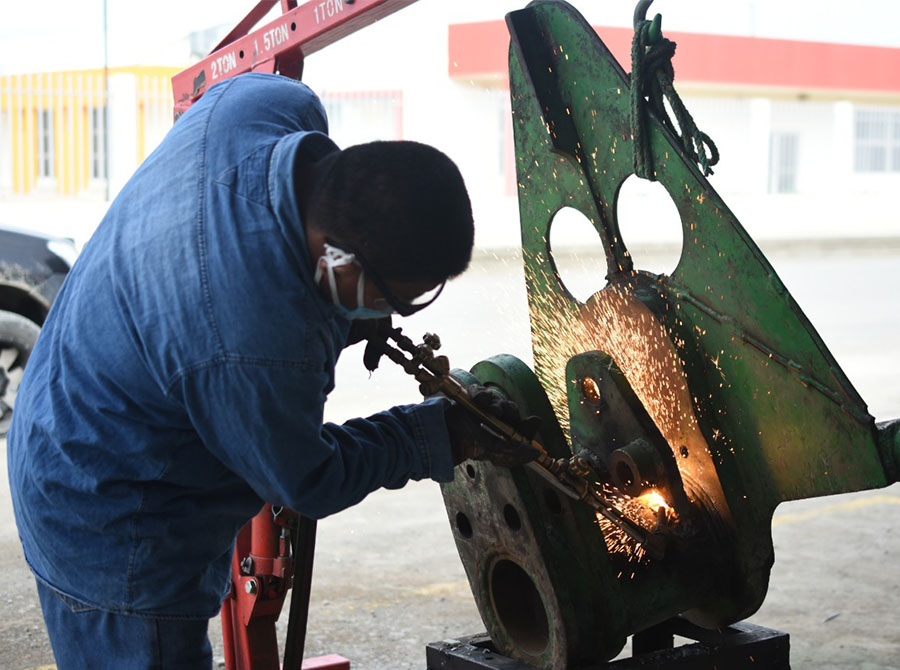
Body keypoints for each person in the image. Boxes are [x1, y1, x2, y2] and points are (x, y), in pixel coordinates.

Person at [8, 73, 534, 668]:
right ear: (339, 262)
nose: (391, 315)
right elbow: (308, 480)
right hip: (105, 515)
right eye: (395, 299)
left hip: (68, 393)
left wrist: (343, 314)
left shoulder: (262, 104)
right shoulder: (250, 344)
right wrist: (436, 434)